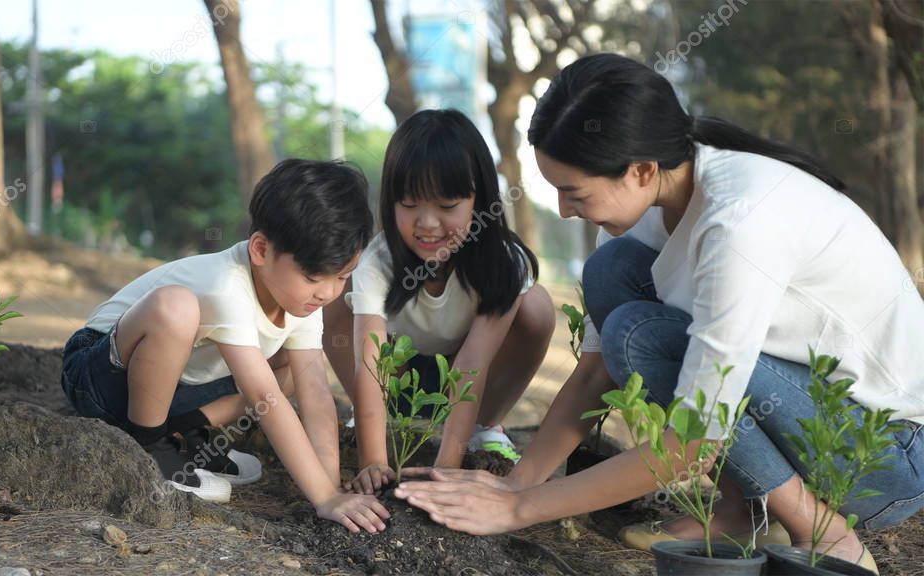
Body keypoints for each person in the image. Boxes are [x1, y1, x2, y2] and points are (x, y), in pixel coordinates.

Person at [393, 54, 924, 572]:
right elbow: (595, 372)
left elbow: (694, 439)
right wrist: (519, 482)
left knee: (640, 335)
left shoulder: (741, 224)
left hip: (883, 459)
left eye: (572, 191)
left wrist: (516, 512)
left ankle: (825, 531)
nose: (562, 209)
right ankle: (741, 511)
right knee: (610, 272)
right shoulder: (648, 208)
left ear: (642, 169)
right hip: (807, 416)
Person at [62, 159, 391, 533]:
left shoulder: (303, 299)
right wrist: (323, 498)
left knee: (293, 371)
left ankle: (181, 431)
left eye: (343, 277)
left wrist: (330, 487)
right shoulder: (225, 284)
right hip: (100, 374)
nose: (329, 292)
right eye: (315, 276)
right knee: (177, 308)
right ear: (261, 250)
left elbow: (315, 393)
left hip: (170, 391)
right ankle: (152, 448)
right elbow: (262, 393)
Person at [323, 109, 556, 495]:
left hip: (463, 372)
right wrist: (373, 461)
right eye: (409, 204)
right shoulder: (377, 261)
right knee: (333, 298)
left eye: (447, 207)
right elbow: (371, 360)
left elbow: (471, 366)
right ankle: (374, 422)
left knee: (537, 308)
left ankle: (485, 427)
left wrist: (446, 467)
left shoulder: (504, 264)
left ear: (479, 200)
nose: (427, 224)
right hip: (397, 372)